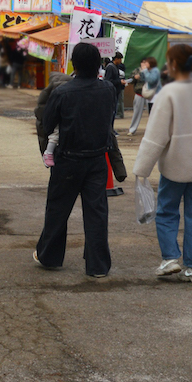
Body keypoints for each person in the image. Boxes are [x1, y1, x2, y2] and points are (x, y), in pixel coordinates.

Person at [34, 42, 126, 278]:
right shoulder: (107, 90)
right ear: (99, 65)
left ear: (74, 64)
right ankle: (97, 266)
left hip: (68, 160)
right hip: (97, 160)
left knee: (58, 210)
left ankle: (50, 256)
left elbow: (47, 121)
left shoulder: (62, 92)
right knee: (96, 213)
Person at [132, 44, 192, 284]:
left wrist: (142, 169)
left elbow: (156, 135)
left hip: (175, 165)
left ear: (172, 65)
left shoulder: (168, 94)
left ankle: (170, 258)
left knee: (167, 212)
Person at [128, 57, 160, 136]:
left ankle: (152, 130)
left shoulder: (154, 71)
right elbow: (131, 80)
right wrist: (135, 77)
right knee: (137, 112)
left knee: (152, 112)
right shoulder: (137, 70)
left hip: (151, 94)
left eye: (146, 63)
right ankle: (132, 129)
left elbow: (151, 80)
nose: (144, 65)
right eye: (143, 63)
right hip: (139, 93)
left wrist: (145, 71)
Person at [104, 52, 125, 120]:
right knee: (112, 111)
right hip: (112, 92)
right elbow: (108, 80)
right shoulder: (110, 67)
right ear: (116, 59)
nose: (121, 61)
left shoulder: (115, 67)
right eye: (120, 59)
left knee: (114, 111)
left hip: (116, 91)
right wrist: (119, 81)